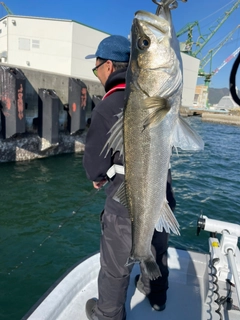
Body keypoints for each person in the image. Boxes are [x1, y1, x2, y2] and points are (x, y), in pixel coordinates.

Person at [83, 35, 176, 320]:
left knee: (115, 266)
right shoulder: (155, 97)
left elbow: (94, 166)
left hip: (128, 198)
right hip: (161, 191)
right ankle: (157, 295)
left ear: (108, 66)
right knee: (157, 247)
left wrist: (99, 176)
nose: (97, 73)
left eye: (96, 67)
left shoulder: (107, 106)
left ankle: (108, 315)